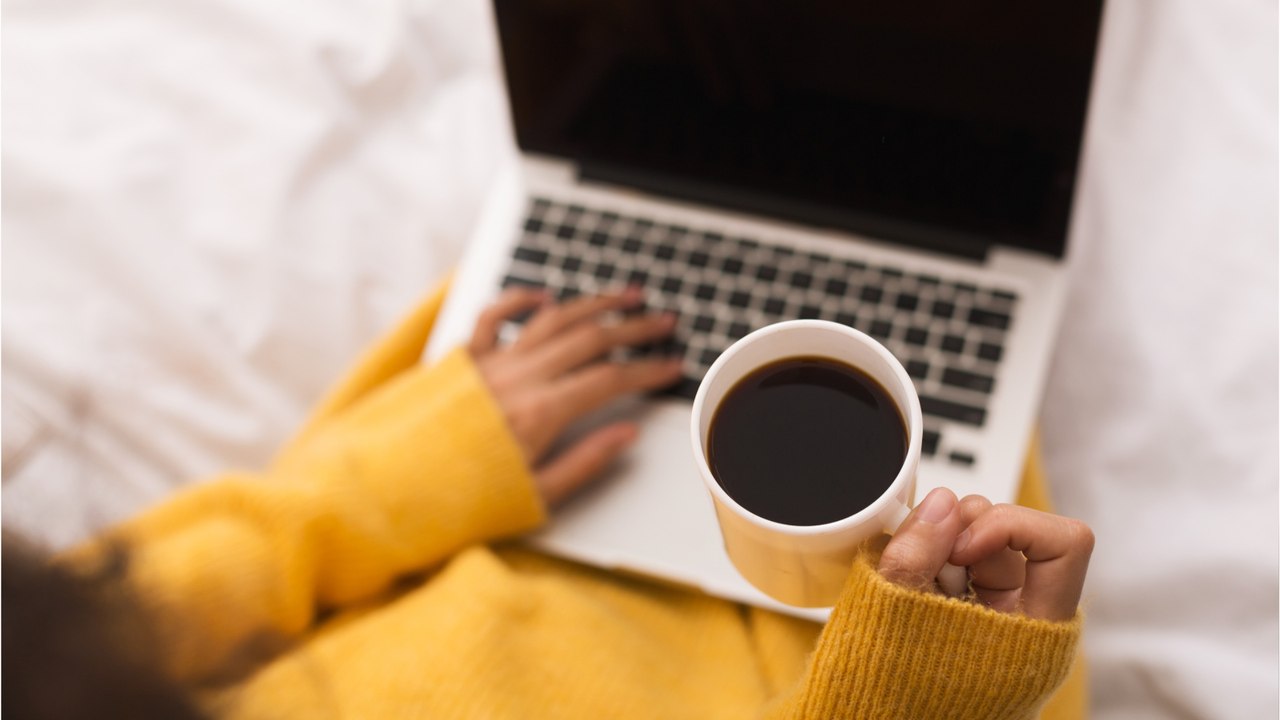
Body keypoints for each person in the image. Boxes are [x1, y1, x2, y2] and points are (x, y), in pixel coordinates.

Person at [4, 283, 1094, 719]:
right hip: (847, 658)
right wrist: (911, 706)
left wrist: (395, 477)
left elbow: (105, 621)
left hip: (520, 503)